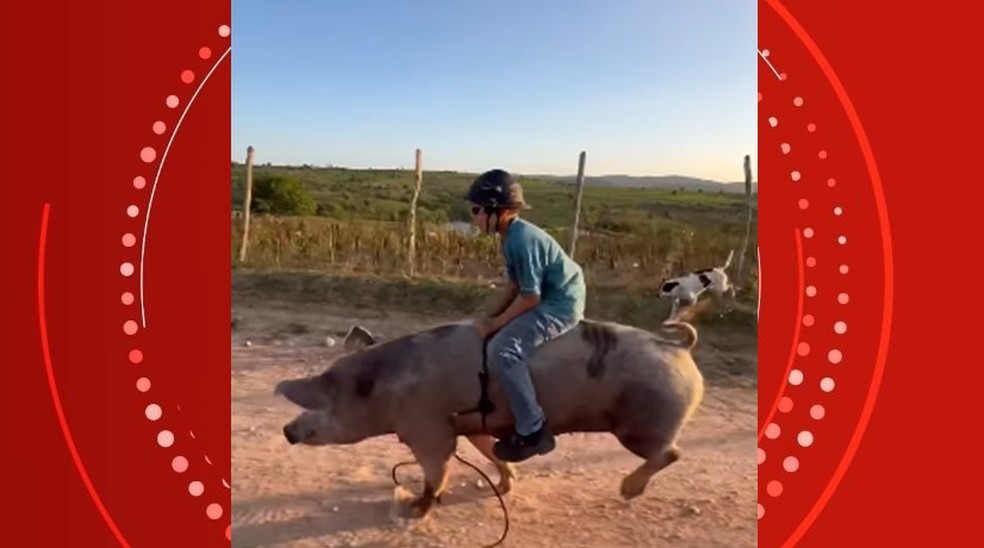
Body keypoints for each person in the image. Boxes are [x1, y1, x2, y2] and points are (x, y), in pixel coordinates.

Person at [465, 168, 587, 463]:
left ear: (500, 211)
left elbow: (531, 297)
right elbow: (516, 285)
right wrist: (488, 316)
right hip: (546, 295)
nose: (474, 216)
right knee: (494, 334)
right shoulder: (509, 237)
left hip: (560, 304)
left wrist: (495, 324)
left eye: (477, 209)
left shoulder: (521, 240)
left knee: (504, 349)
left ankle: (533, 429)